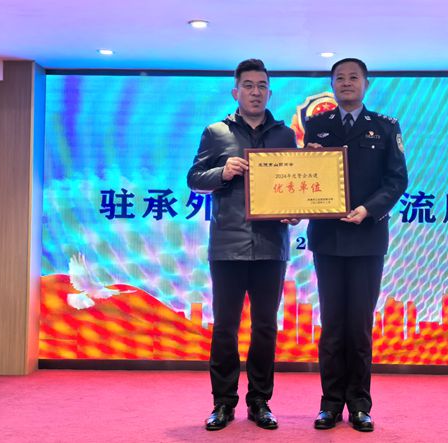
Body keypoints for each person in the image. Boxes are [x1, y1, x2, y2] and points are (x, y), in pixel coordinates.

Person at [187, 59, 297, 431]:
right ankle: (222, 403)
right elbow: (194, 178)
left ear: (269, 92)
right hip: (227, 245)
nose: (255, 92)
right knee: (225, 328)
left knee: (265, 327)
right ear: (236, 91)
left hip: (271, 245)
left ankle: (260, 402)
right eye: (248, 85)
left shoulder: (284, 136)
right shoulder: (216, 132)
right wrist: (223, 172)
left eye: (261, 85)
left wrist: (295, 212)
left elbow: (293, 185)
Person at [303, 58, 408, 432]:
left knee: (360, 326)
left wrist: (368, 210)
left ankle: (360, 404)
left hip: (367, 239)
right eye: (339, 78)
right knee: (332, 325)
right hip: (328, 238)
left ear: (366, 83)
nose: (346, 83)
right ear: (332, 85)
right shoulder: (317, 125)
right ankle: (330, 404)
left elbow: (396, 180)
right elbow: (305, 178)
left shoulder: (385, 127)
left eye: (353, 77)